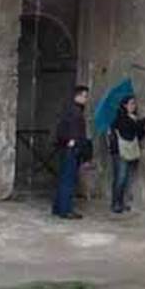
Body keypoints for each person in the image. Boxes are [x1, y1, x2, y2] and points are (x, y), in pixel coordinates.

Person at [52, 85, 91, 220]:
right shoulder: (75, 112)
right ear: (78, 96)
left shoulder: (68, 109)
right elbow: (74, 132)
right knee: (68, 180)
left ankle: (58, 207)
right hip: (71, 149)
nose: (86, 99)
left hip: (65, 148)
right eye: (85, 96)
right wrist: (74, 143)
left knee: (64, 178)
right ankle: (66, 210)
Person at [109, 96, 145, 214]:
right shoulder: (120, 119)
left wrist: (140, 124)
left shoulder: (133, 119)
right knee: (120, 178)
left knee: (126, 178)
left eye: (134, 104)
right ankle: (116, 203)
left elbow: (140, 135)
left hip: (130, 151)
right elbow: (127, 132)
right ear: (125, 105)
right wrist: (139, 122)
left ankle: (122, 202)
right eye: (131, 103)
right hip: (120, 152)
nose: (134, 106)